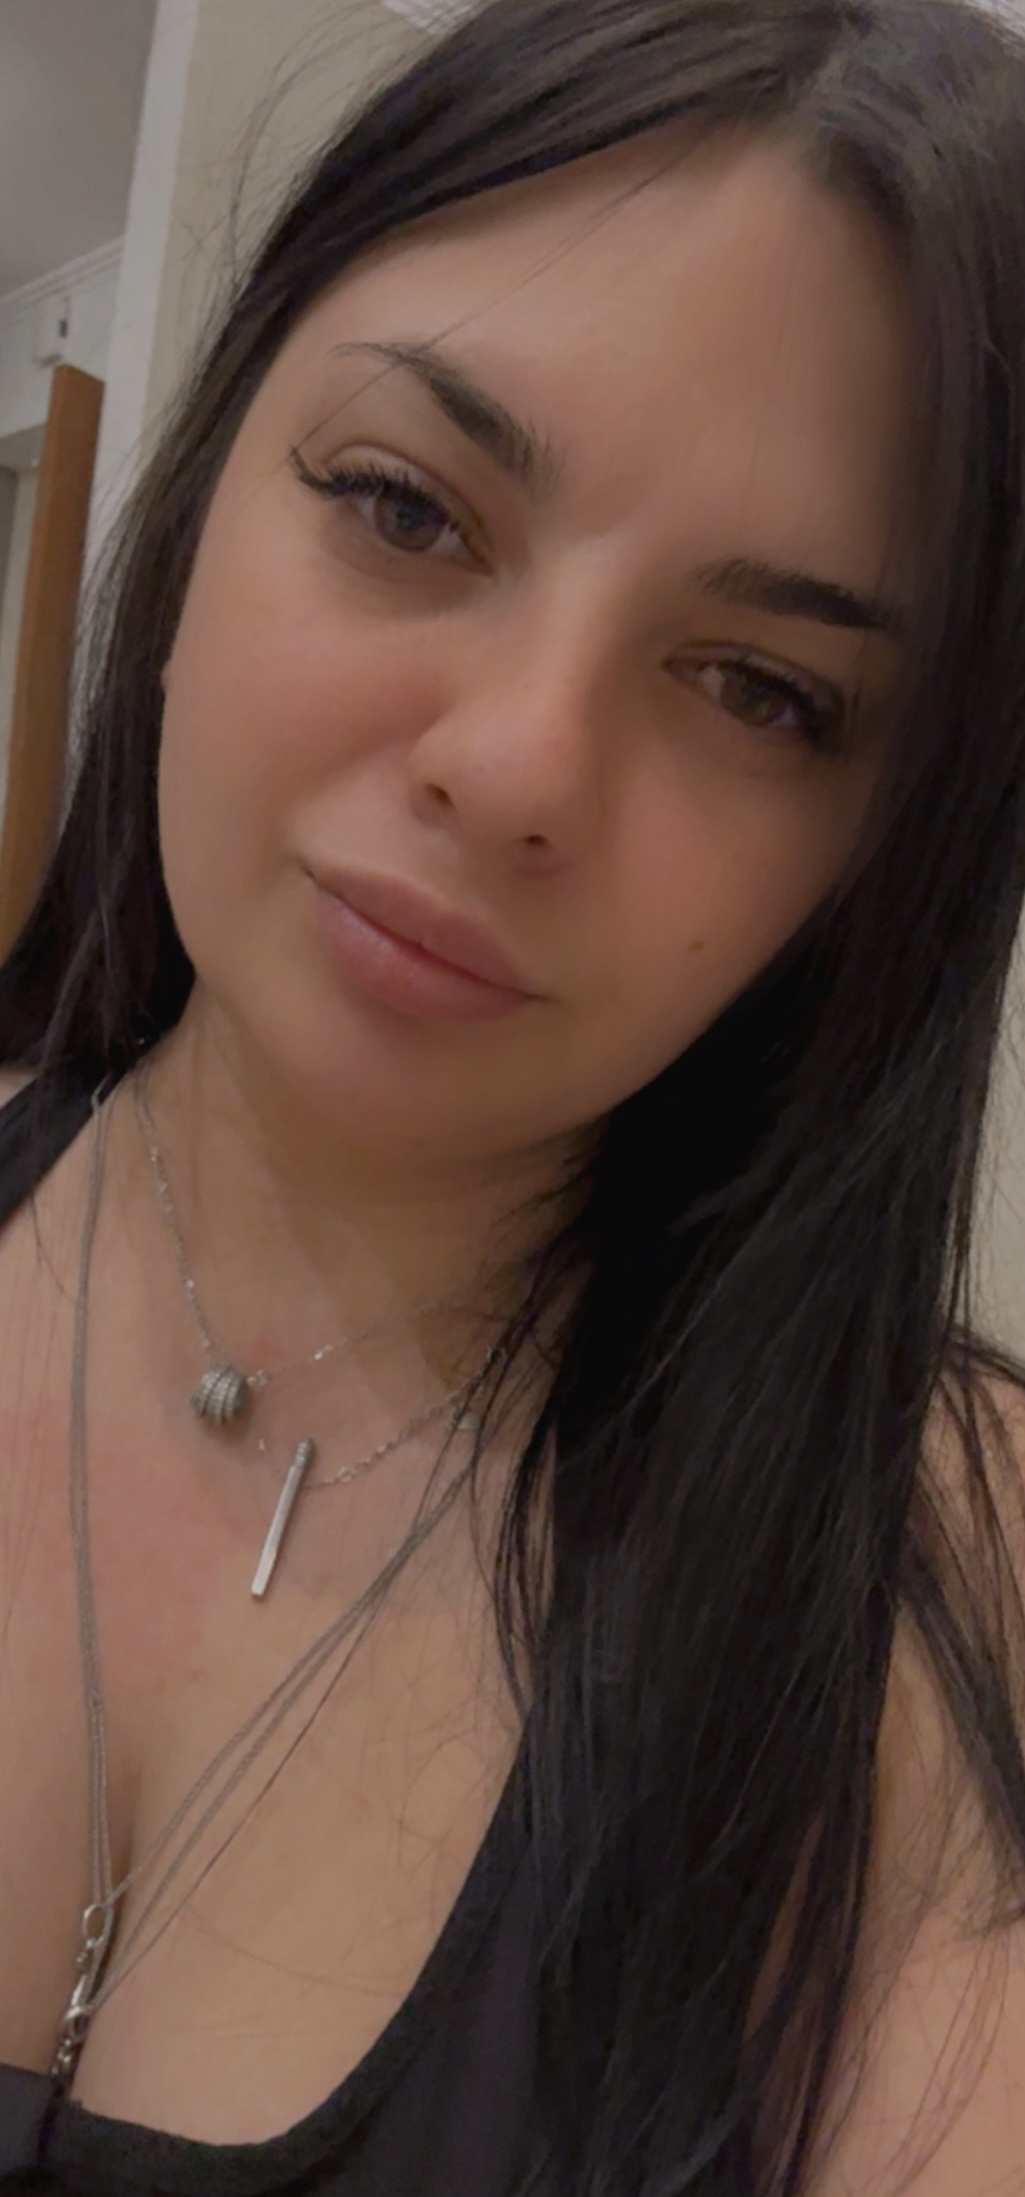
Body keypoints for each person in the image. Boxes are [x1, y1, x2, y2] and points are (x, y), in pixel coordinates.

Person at [2, 0, 1025, 2188]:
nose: (521, 762)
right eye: (405, 505)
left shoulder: (941, 1581)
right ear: (199, 501)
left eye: (760, 687)